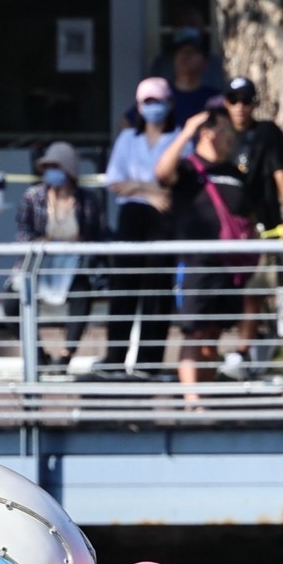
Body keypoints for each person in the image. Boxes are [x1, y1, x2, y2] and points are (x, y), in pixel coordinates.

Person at [155, 106, 254, 395]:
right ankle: (191, 399)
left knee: (213, 333)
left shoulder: (234, 172)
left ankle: (209, 397)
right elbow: (162, 174)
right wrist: (187, 131)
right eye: (226, 130)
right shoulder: (187, 168)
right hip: (197, 263)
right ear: (209, 133)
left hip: (228, 265)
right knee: (193, 331)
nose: (231, 138)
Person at [15, 140, 106, 370]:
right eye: (47, 167)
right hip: (39, 265)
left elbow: (99, 236)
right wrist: (42, 243)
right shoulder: (33, 197)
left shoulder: (88, 201)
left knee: (82, 293)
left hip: (73, 266)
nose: (50, 173)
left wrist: (80, 244)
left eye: (56, 167)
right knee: (10, 303)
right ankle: (37, 353)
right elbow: (23, 234)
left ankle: (67, 353)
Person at [104, 78, 174, 375]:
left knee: (158, 290)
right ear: (138, 106)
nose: (152, 107)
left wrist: (144, 188)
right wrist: (148, 191)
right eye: (147, 102)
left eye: (157, 101)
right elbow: (115, 182)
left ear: (169, 103)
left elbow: (173, 183)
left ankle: (150, 361)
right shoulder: (127, 139)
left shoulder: (179, 137)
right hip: (132, 216)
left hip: (164, 219)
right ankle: (115, 357)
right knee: (124, 287)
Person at [221, 77, 283, 234]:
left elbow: (281, 174)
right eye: (233, 100)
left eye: (246, 101)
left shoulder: (267, 131)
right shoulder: (219, 134)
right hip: (227, 218)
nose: (240, 106)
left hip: (263, 216)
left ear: (255, 103)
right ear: (226, 103)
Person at [165, 26, 222, 122]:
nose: (185, 55)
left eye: (192, 51)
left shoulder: (215, 100)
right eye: (180, 51)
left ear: (205, 62)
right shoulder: (162, 96)